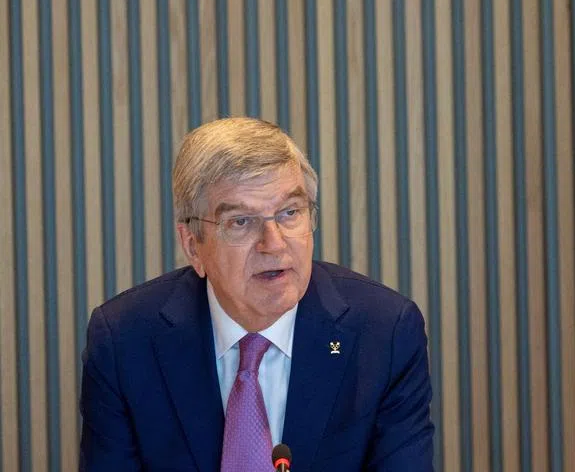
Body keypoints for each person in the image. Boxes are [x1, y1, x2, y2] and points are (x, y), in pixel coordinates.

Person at [79, 116, 434, 471]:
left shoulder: (384, 333)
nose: (274, 244)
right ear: (193, 246)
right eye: (241, 221)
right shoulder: (125, 341)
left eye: (290, 212)